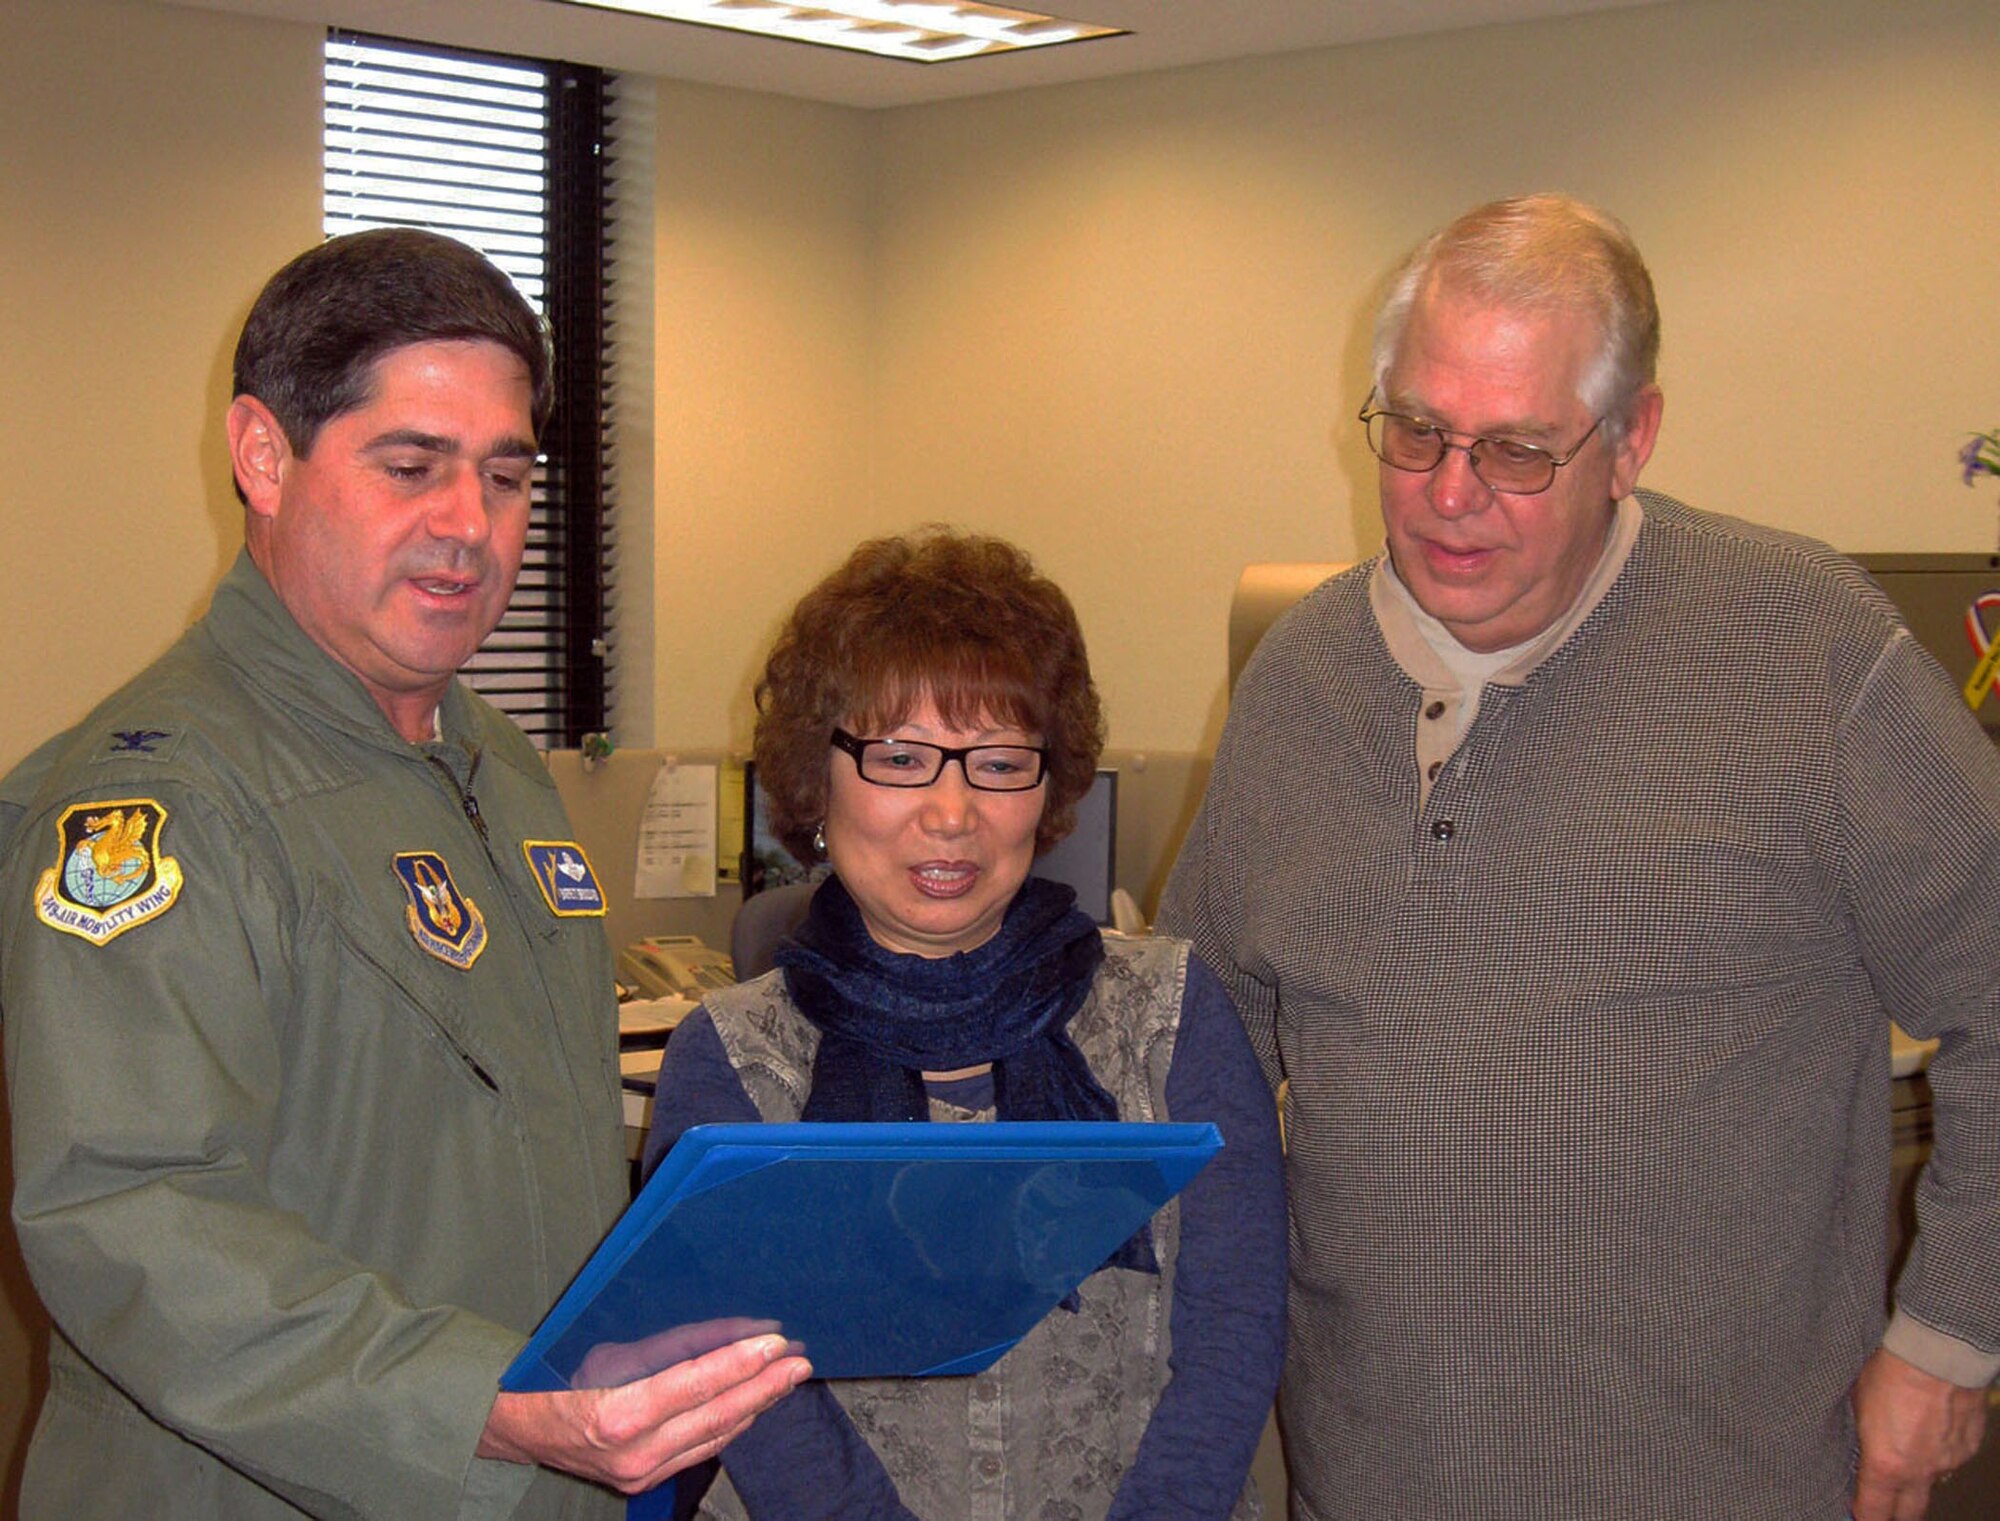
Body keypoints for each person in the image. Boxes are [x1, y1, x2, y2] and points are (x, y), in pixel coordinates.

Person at [1157, 193, 2000, 1521]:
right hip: (1372, 1479)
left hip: (1724, 1483)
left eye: (1516, 450)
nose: (1450, 494)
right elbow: (1191, 1054)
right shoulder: (1298, 680)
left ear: (1630, 440)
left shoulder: (1806, 651)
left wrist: (1949, 1336)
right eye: (1416, 431)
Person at [0, 228, 807, 1520]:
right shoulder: (160, 802)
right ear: (263, 457)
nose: (468, 528)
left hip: (535, 1475)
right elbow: (133, 1212)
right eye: (410, 467)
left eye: (505, 475)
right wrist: (478, 1407)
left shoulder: (498, 764)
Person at [641, 529, 1287, 1519]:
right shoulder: (733, 1057)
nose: (952, 812)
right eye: (901, 758)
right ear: (818, 778)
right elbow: (743, 1382)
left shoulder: (1167, 1014)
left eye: (998, 762)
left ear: (1049, 786)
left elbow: (1233, 1331)